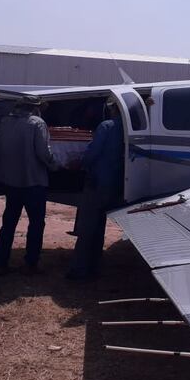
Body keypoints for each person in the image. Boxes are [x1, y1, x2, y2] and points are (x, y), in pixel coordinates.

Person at [0, 97, 56, 276]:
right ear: (36, 108)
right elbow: (43, 153)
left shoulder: (5, 121)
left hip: (10, 181)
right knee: (36, 223)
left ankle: (0, 262)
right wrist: (56, 165)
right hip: (33, 181)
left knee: (9, 223)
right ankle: (31, 263)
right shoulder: (37, 123)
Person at [67, 99, 124, 280]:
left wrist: (79, 163)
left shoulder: (107, 126)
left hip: (98, 181)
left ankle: (79, 270)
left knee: (87, 228)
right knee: (99, 227)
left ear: (113, 108)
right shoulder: (130, 127)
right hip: (114, 183)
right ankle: (95, 265)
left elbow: (93, 152)